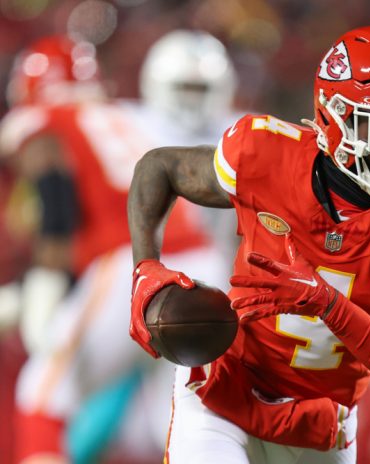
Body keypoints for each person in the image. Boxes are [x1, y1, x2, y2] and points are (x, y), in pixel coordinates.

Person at [127, 25, 370, 464]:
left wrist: (329, 305)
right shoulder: (264, 154)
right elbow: (158, 167)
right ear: (334, 117)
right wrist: (145, 268)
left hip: (320, 423)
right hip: (225, 392)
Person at [1, 31, 239, 463]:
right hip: (204, 264)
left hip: (137, 264)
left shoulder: (46, 119)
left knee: (44, 394)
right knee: (169, 427)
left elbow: (56, 199)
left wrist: (44, 280)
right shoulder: (120, 118)